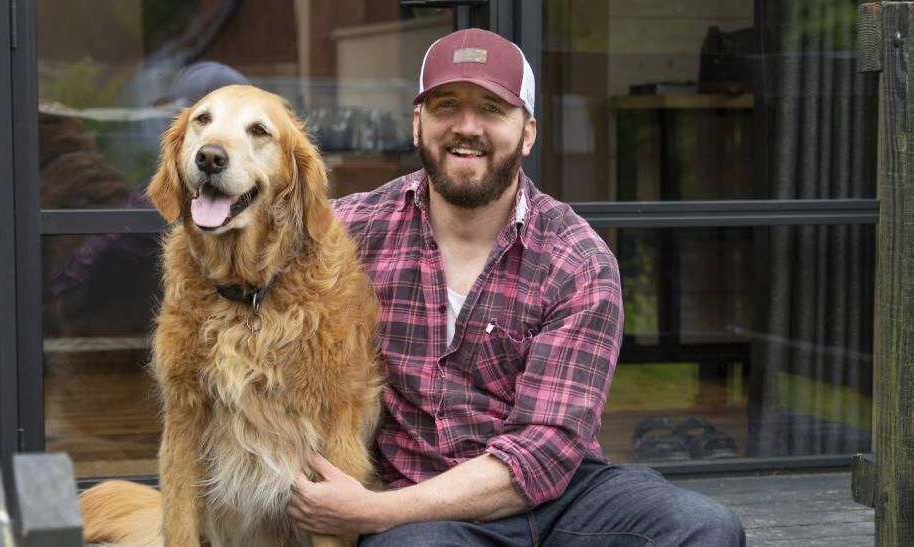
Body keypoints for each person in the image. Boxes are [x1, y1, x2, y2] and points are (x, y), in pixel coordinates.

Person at [288, 28, 746, 546]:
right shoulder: (351, 232)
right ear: (417, 125)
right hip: (429, 512)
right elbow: (255, 249)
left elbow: (544, 449)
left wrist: (371, 511)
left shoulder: (576, 259)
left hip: (561, 498)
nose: (466, 127)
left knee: (706, 529)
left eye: (491, 108)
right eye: (445, 106)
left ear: (527, 132)